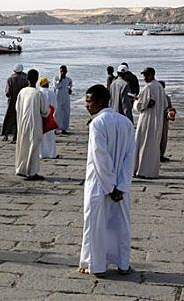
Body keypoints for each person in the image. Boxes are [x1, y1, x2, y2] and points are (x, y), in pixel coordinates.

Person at [78, 84, 135, 278]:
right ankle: (123, 264)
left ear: (100, 101)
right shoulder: (126, 122)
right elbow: (129, 157)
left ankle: (97, 265)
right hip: (120, 184)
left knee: (95, 224)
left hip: (100, 184)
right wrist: (122, 185)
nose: (87, 105)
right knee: (121, 225)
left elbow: (100, 157)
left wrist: (110, 186)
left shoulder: (97, 124)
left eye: (89, 101)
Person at [133, 67, 168, 179]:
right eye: (144, 75)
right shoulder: (159, 87)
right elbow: (165, 104)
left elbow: (139, 106)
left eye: (146, 75)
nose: (144, 78)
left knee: (143, 143)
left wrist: (135, 100)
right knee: (152, 146)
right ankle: (150, 171)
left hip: (147, 119)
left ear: (152, 75)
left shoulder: (148, 87)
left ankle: (141, 170)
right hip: (158, 120)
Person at [15, 69, 50, 180]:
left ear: (27, 79)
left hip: (22, 122)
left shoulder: (22, 92)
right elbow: (45, 111)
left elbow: (17, 108)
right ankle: (32, 172)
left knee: (23, 145)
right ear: (37, 78)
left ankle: (21, 168)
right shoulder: (38, 94)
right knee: (33, 146)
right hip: (35, 123)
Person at [1, 63, 29, 143]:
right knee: (19, 119)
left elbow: (7, 92)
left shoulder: (10, 79)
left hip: (12, 101)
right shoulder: (25, 78)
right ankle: (16, 136)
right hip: (22, 101)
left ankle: (6, 135)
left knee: (9, 118)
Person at [38, 77, 58, 159]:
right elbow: (55, 106)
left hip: (40, 117)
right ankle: (51, 154)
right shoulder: (51, 93)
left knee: (41, 136)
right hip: (50, 116)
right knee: (50, 136)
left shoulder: (38, 93)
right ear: (47, 84)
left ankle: (41, 154)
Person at [54, 65, 73, 134]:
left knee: (66, 113)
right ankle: (55, 129)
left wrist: (70, 90)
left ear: (66, 71)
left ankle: (64, 129)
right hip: (58, 98)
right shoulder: (56, 78)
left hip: (66, 98)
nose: (63, 72)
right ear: (59, 71)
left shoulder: (69, 79)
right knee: (57, 113)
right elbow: (56, 86)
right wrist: (60, 79)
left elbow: (70, 88)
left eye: (64, 71)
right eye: (61, 71)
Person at [159, 80, 175, 162]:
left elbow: (170, 108)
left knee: (162, 138)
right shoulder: (165, 97)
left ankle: (160, 154)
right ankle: (160, 155)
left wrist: (171, 113)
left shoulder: (166, 97)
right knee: (162, 138)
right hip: (162, 120)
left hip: (164, 119)